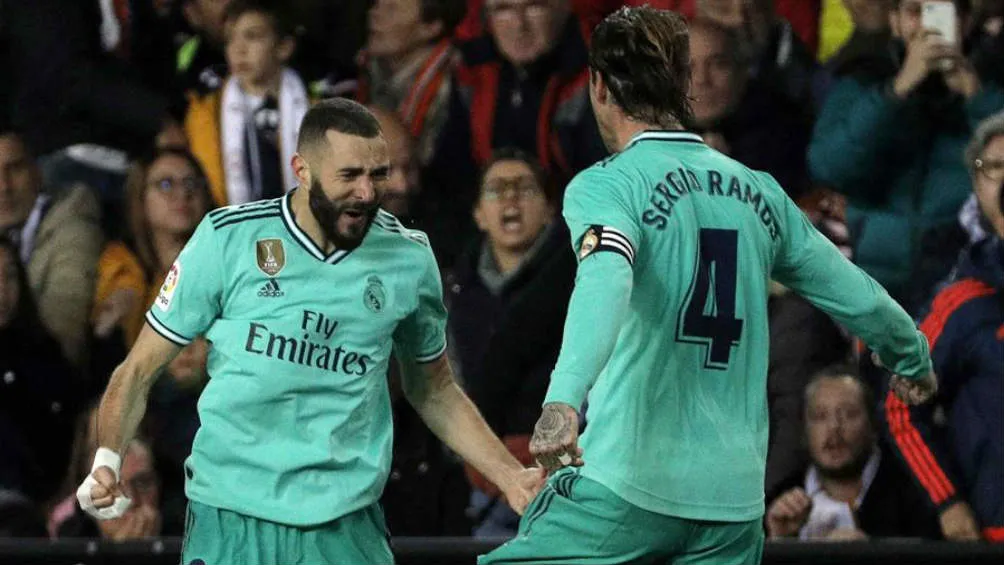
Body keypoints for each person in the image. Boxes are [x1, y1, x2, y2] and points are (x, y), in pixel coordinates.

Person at [479, 6, 937, 565]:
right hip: (732, 506)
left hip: (628, 486)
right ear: (684, 84)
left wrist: (562, 401)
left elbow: (605, 277)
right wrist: (909, 354)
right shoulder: (760, 192)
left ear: (599, 87)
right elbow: (854, 291)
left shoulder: (608, 186)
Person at [76, 98, 543, 565]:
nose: (366, 192)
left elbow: (436, 389)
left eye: (377, 174)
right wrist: (106, 463)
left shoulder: (408, 259)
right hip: (232, 521)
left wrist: (509, 476)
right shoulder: (228, 239)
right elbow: (136, 371)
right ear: (302, 169)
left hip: (344, 525)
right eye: (349, 175)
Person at [766, 367, 939, 541]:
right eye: (819, 416)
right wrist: (780, 541)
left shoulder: (915, 495)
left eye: (849, 414)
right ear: (804, 430)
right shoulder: (777, 503)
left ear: (873, 424)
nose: (834, 427)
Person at [185, 0, 310, 207]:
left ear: (284, 47)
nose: (239, 49)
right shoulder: (205, 113)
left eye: (252, 36)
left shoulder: (315, 108)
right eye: (230, 40)